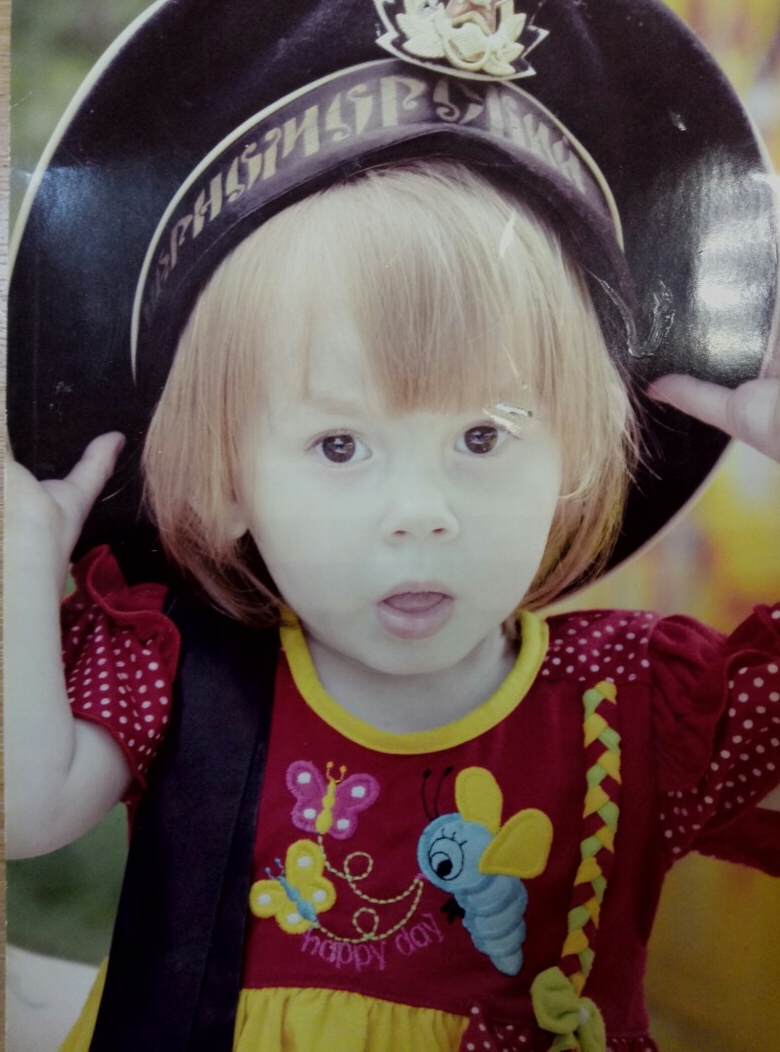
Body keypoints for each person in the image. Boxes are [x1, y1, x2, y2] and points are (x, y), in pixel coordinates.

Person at [5, 2, 779, 1050]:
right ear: (228, 479)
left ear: (575, 457)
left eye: (483, 435)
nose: (422, 513)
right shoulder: (181, 670)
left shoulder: (631, 708)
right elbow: (26, 811)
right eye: (339, 445)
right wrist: (18, 564)